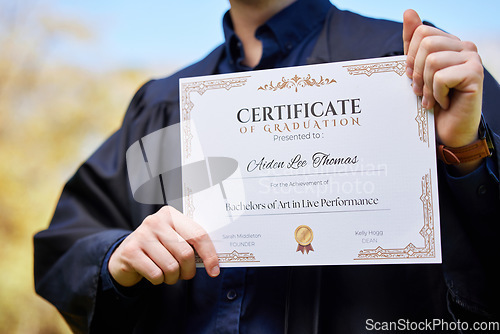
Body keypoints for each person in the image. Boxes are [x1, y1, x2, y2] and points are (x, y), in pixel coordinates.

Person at [34, 0, 500, 333]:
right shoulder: (162, 105)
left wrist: (468, 153)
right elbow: (68, 243)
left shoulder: (413, 67)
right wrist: (118, 257)